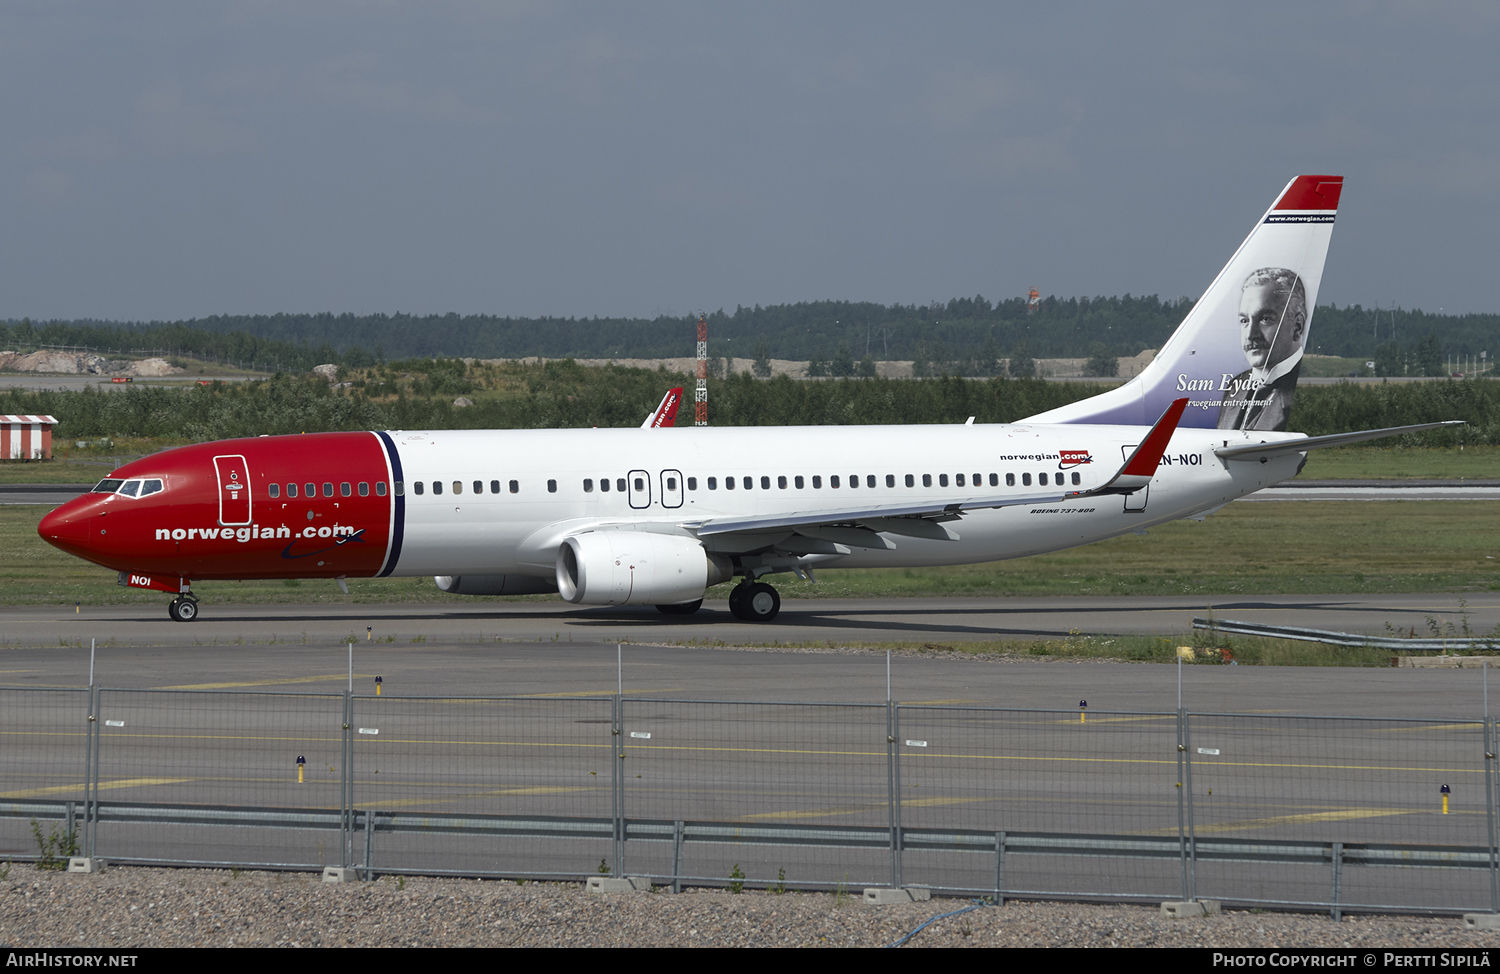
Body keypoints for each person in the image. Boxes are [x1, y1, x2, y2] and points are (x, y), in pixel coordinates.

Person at [1217, 267, 1307, 431]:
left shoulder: (1302, 391)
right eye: (1244, 321)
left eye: (1265, 319)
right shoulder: (1236, 386)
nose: (1251, 335)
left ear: (1297, 326)